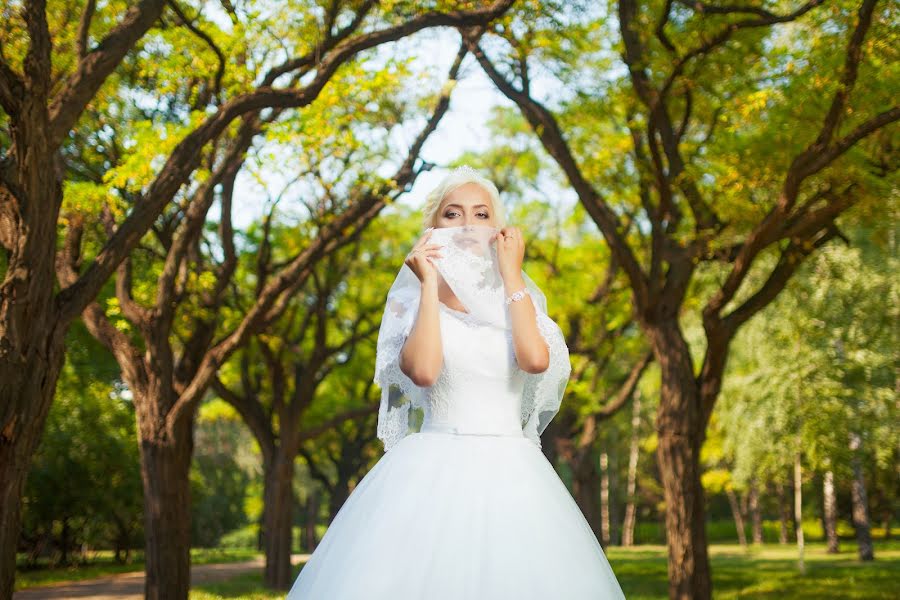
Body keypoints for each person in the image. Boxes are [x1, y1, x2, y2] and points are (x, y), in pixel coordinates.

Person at [286, 166, 626, 599]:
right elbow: (424, 370)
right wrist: (428, 285)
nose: (467, 223)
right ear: (433, 227)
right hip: (432, 471)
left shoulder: (518, 299)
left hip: (514, 475)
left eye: (482, 214)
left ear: (499, 229)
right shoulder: (411, 305)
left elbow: (535, 359)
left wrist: (512, 275)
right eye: (453, 213)